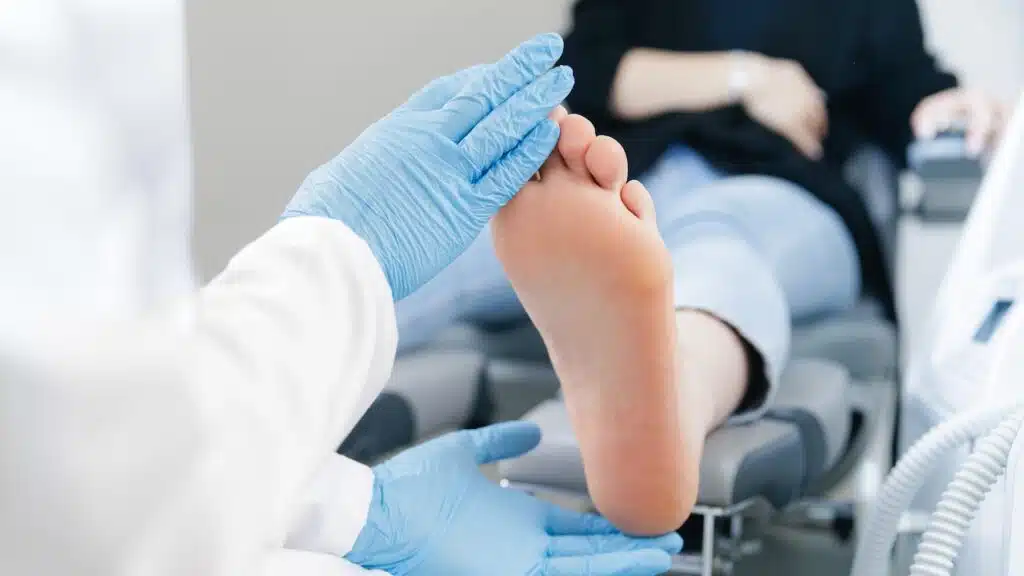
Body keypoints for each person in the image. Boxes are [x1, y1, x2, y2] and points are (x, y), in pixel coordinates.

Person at [0, 2, 682, 573]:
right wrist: (339, 253)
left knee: (731, 240)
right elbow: (75, 462)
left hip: (754, 190)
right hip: (647, 183)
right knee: (718, 254)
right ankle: (675, 378)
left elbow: (71, 441)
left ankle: (674, 376)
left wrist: (345, 510)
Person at [373, 0, 1009, 535]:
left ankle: (667, 406)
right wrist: (747, 78)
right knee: (454, 252)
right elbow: (581, 72)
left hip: (780, 190)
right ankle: (284, 343)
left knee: (721, 241)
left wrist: (955, 111)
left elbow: (913, 98)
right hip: (622, 180)